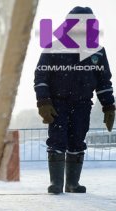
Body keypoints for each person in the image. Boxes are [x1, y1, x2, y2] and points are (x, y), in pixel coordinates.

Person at [34, 6, 114, 195]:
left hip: (83, 104)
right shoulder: (53, 47)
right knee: (57, 140)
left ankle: (72, 184)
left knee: (77, 140)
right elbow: (41, 76)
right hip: (57, 104)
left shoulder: (97, 51)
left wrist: (108, 105)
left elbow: (104, 81)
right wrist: (43, 101)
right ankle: (56, 183)